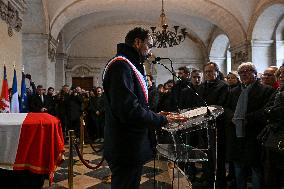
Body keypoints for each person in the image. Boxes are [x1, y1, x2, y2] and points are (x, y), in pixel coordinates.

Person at [102, 27, 170, 189]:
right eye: (150, 45)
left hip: (130, 144)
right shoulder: (120, 66)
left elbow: (136, 104)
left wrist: (154, 114)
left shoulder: (129, 64)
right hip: (126, 145)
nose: (151, 51)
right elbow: (129, 110)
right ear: (138, 42)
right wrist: (161, 119)